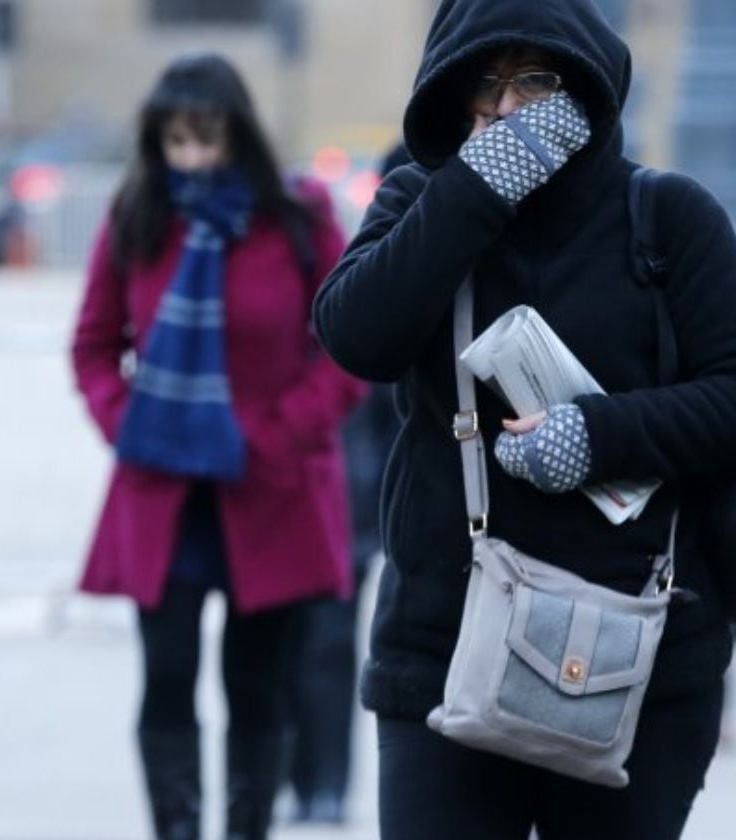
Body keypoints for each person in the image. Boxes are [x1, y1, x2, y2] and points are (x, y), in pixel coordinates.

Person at [311, 1, 736, 837]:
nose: (505, 108)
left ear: (584, 89)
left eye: (533, 82)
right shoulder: (419, 201)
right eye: (486, 85)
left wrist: (598, 436)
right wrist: (471, 190)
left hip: (636, 659)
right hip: (444, 653)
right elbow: (356, 336)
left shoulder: (667, 218)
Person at [69, 54, 364, 840]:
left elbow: (344, 350)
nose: (191, 158)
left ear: (238, 134)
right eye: (175, 142)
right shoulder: (136, 217)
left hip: (268, 488)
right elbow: (95, 346)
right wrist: (126, 423)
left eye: (205, 139)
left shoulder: (299, 218)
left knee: (256, 686)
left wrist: (279, 431)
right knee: (166, 679)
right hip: (162, 493)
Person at [281, 143, 409, 827]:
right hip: (339, 494)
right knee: (318, 642)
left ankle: (324, 783)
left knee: (343, 647)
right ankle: (314, 782)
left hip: (388, 499)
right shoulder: (359, 272)